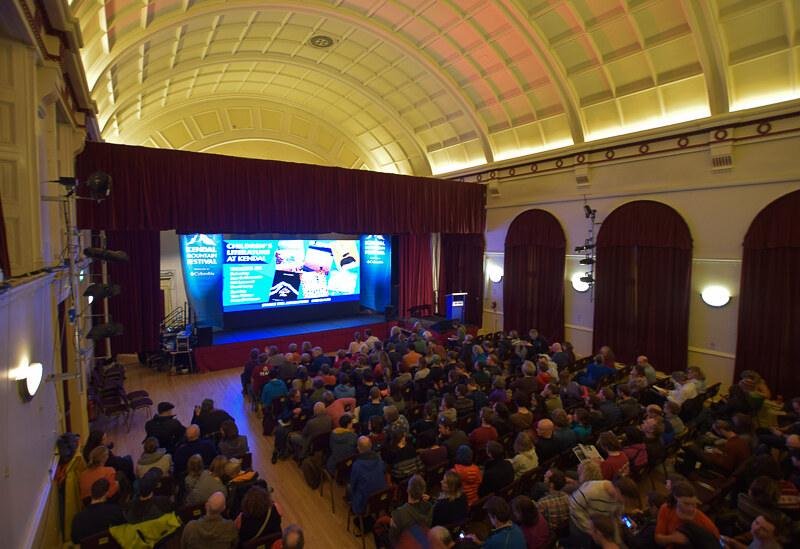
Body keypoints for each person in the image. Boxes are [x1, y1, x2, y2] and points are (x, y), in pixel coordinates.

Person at [568, 461, 623, 547]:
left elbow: (574, 508)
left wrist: (590, 528)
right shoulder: (601, 488)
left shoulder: (587, 491)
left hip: (588, 528)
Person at [654, 482, 719, 548]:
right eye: (686, 504)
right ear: (676, 500)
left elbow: (716, 543)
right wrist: (673, 538)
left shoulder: (705, 522)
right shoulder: (666, 509)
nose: (691, 509)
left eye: (694, 504)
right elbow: (658, 539)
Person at [70, 478, 125, 544]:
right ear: (107, 493)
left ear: (91, 493)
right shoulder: (115, 511)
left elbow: (75, 540)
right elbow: (123, 532)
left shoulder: (77, 518)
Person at [349, 436, 387, 517]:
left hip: (364, 504)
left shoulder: (357, 465)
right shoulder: (379, 458)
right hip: (381, 499)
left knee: (349, 488)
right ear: (371, 446)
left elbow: (353, 484)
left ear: (358, 448)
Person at [390, 475, 433, 542]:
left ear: (408, 490)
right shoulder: (430, 507)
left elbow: (393, 540)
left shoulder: (398, 514)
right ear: (423, 492)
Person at [535, 468, 571, 534]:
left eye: (547, 477)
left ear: (551, 485)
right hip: (562, 531)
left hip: (549, 532)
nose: (544, 476)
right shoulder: (567, 497)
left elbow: (534, 519)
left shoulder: (543, 502)